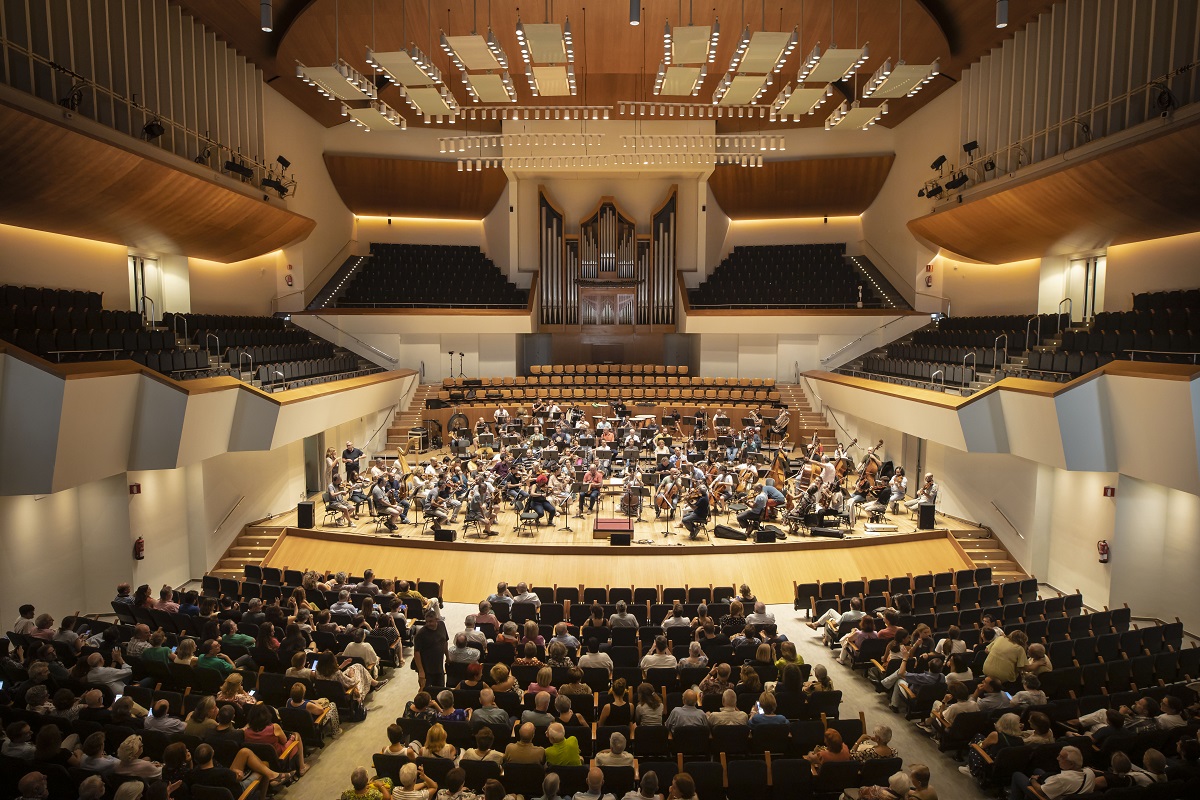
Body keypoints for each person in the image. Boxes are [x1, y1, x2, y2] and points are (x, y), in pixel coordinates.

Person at [243, 703, 309, 777]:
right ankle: (302, 767)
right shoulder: (274, 727)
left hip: (261, 760)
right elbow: (284, 741)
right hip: (280, 757)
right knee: (297, 735)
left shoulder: (246, 732)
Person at [1009, 745, 1094, 800]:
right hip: (1067, 789)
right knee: (1037, 770)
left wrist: (1032, 780)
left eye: (1061, 757)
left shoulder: (1061, 779)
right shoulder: (1090, 772)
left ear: (1071, 763)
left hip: (1047, 796)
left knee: (1017, 775)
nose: (1057, 758)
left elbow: (1041, 791)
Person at [963, 713, 1024, 781]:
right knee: (980, 737)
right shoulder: (1020, 740)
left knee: (976, 741)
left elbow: (982, 746)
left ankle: (972, 769)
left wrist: (978, 743)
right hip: (1004, 767)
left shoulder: (995, 735)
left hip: (990, 763)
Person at [414, 610, 449, 690]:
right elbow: (417, 653)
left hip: (439, 667)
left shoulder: (442, 625)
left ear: (436, 620)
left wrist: (447, 656)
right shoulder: (421, 634)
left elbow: (445, 641)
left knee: (440, 690)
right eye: (427, 622)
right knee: (426, 691)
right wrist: (421, 671)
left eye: (431, 621)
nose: (428, 624)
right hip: (427, 669)